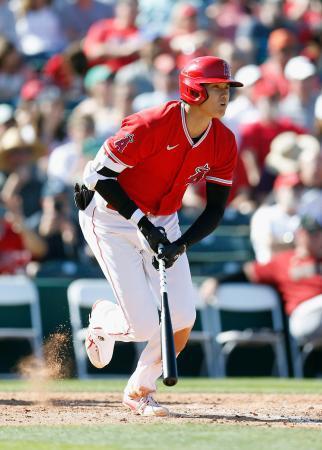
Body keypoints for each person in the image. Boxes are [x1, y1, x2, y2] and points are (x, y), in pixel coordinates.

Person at [75, 56, 243, 416]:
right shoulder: (152, 124)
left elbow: (214, 210)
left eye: (227, 88)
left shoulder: (224, 142)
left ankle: (140, 391)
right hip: (109, 216)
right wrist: (142, 224)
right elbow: (99, 177)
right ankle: (104, 319)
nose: (225, 95)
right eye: (217, 88)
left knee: (182, 316)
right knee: (142, 326)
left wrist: (181, 244)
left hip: (164, 218)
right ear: (194, 90)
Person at [200, 213, 322, 347]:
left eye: (319, 233)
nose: (319, 238)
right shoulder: (283, 260)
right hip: (304, 315)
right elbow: (247, 273)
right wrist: (217, 280)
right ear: (301, 235)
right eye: (313, 234)